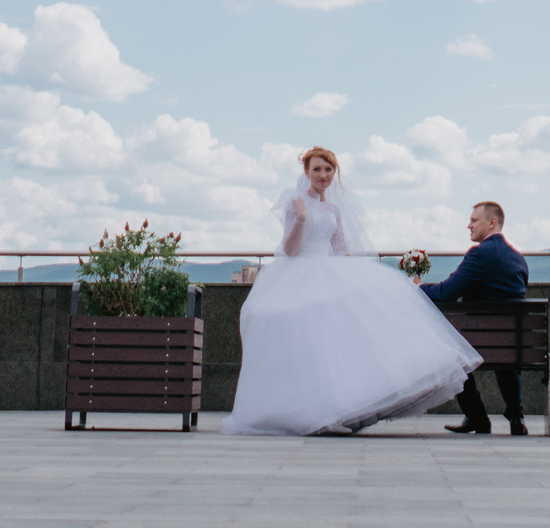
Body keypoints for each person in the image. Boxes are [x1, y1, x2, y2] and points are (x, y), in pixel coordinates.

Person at [222, 147, 485, 436]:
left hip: (330, 272)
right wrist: (299, 218)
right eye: (317, 170)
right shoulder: (296, 203)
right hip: (299, 271)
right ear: (306, 173)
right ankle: (307, 410)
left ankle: (339, 410)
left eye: (328, 170)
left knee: (341, 339)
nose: (323, 175)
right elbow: (290, 250)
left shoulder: (333, 209)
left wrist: (360, 281)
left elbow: (342, 250)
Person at [417, 199, 530, 435]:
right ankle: (516, 417)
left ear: (492, 223)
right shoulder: (518, 258)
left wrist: (418, 286)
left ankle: (477, 417)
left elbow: (446, 293)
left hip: (478, 343)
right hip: (515, 345)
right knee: (504, 346)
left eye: (473, 220)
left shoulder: (479, 255)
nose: (468, 225)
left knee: (453, 352)